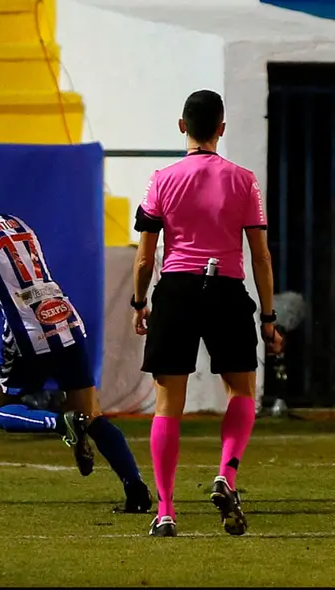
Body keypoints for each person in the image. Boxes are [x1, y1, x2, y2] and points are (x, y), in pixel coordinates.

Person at [0, 169, 152, 513]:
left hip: (28, 332)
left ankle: (58, 422)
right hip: (65, 319)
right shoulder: (19, 224)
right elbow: (15, 274)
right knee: (93, 413)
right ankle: (137, 491)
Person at [132, 89, 282, 537]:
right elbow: (261, 256)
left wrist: (141, 303)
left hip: (176, 290)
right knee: (241, 391)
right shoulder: (243, 180)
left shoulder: (161, 179)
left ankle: (165, 511)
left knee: (167, 405)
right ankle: (227, 475)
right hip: (226, 290)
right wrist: (268, 317)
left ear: (182, 126)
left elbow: (144, 258)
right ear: (221, 128)